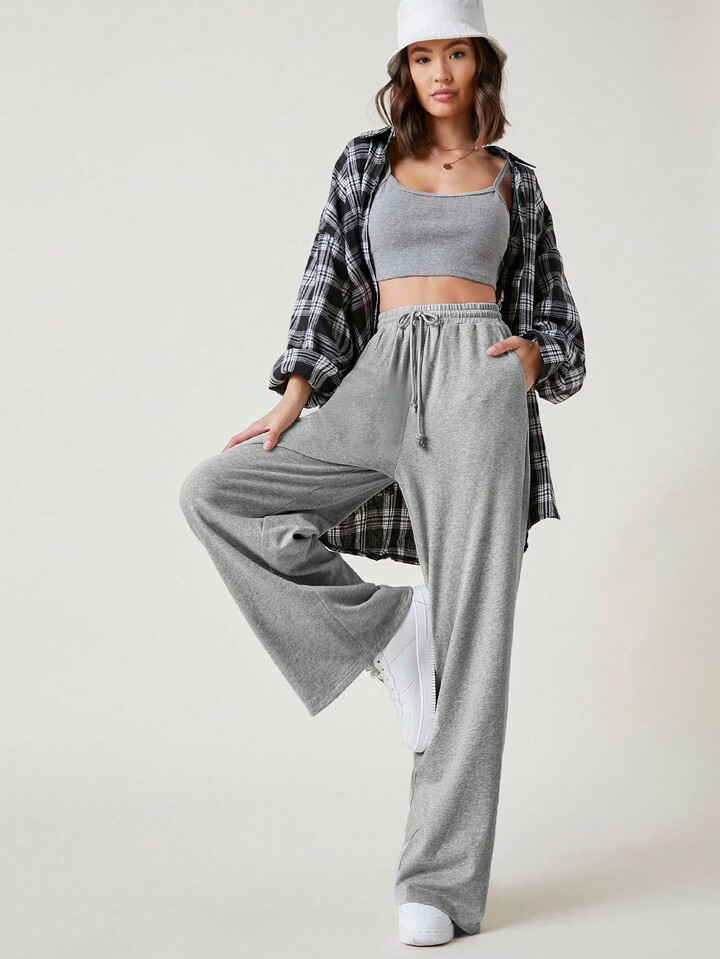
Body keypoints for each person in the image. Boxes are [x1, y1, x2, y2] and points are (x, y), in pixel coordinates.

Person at [179, 0, 586, 946]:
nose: (439, 72)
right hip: (381, 369)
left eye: (456, 54)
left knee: (475, 632)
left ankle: (437, 882)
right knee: (216, 494)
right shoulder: (366, 162)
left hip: (479, 381)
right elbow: (326, 279)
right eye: (422, 56)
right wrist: (293, 397)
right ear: (404, 70)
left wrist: (531, 360)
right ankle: (389, 630)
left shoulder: (515, 182)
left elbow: (559, 319)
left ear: (480, 64)